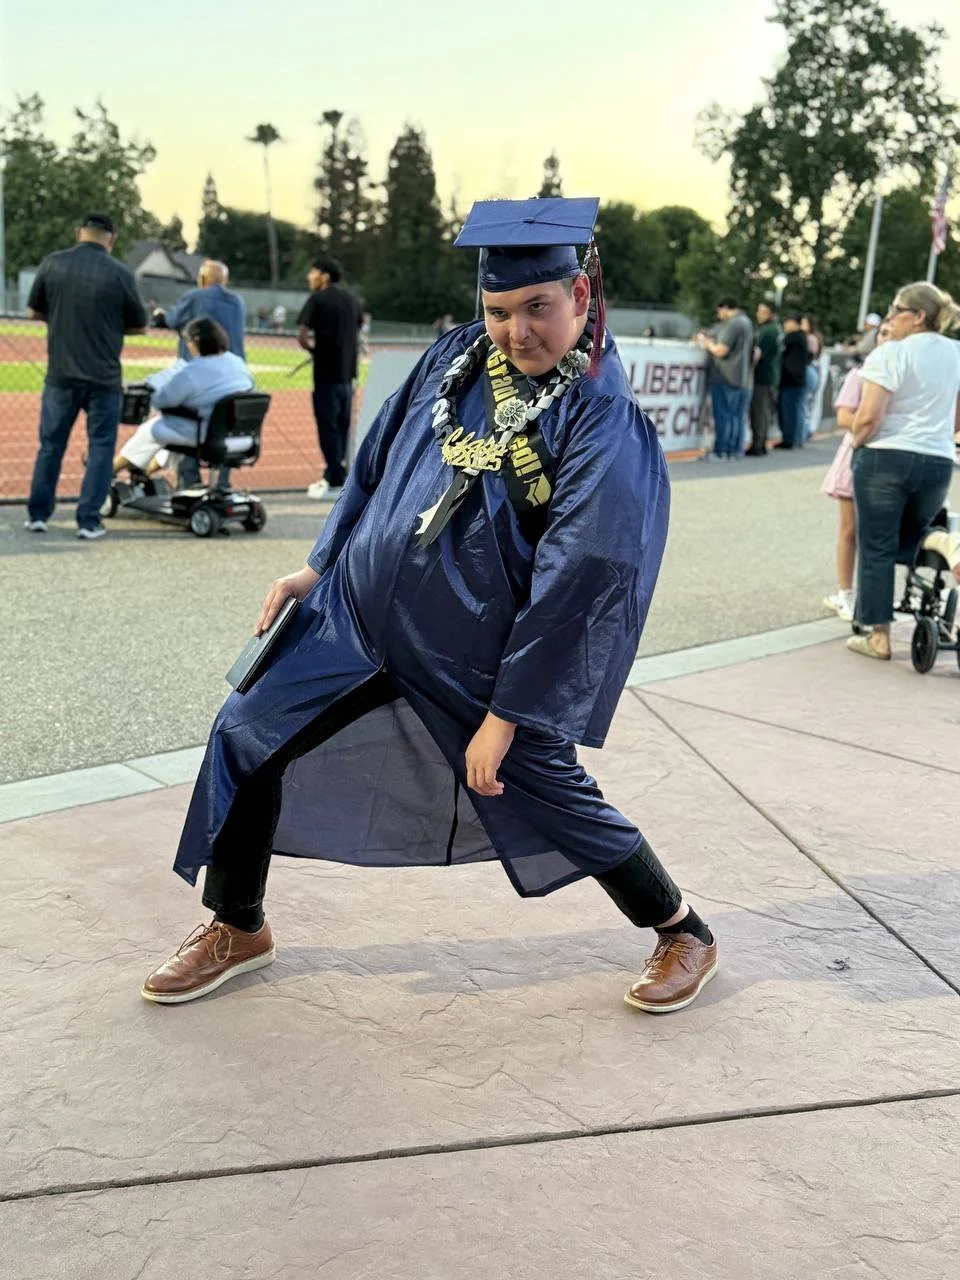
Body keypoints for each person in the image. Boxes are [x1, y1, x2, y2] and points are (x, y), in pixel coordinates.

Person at [140, 196, 717, 1016]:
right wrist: (318, 565)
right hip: (357, 616)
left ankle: (681, 927)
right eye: (499, 310)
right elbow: (373, 463)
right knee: (244, 732)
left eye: (538, 308)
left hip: (477, 659)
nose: (518, 331)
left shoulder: (599, 420)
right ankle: (238, 925)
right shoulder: (457, 358)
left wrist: (509, 712)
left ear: (580, 297)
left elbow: (580, 576)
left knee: (549, 790)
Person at [847, 283, 960, 660]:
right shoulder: (956, 354)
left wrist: (858, 444)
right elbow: (956, 419)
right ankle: (943, 543)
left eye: (897, 309)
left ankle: (878, 636)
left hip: (886, 456)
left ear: (918, 316)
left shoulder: (890, 354)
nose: (891, 317)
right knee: (913, 534)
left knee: (877, 545)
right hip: (938, 459)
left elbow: (869, 417)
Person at [24, 212, 147, 540]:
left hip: (61, 373)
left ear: (80, 232)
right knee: (101, 449)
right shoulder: (120, 274)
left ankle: (38, 515)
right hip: (104, 377)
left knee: (50, 445)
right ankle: (88, 520)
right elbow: (139, 324)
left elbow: (33, 310)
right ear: (112, 238)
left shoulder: (52, 264)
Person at [113, 318, 254, 477]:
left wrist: (159, 387)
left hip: (208, 435)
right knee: (174, 428)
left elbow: (162, 401)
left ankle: (111, 469)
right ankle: (146, 472)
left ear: (196, 341)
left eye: (188, 341)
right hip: (241, 436)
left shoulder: (192, 372)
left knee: (152, 429)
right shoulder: (238, 364)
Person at [821, 317, 895, 621]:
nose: (888, 338)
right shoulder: (860, 375)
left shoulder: (904, 376)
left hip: (889, 461)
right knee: (850, 529)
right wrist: (870, 427)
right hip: (857, 454)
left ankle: (872, 597)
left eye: (893, 334)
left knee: (876, 535)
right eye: (883, 334)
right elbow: (843, 417)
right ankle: (844, 592)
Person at [298, 257, 361, 501]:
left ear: (324, 276)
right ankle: (338, 472)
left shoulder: (317, 300)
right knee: (343, 426)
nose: (309, 277)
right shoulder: (351, 300)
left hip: (325, 374)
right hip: (348, 374)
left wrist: (316, 351)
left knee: (327, 427)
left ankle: (334, 475)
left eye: (313, 272)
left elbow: (303, 337)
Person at [154, 260, 246, 363]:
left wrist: (160, 315)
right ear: (225, 280)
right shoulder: (237, 302)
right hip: (233, 366)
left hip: (199, 366)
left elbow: (172, 320)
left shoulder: (195, 297)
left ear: (202, 279)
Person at [696, 296, 753, 460]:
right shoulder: (747, 323)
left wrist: (707, 344)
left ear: (725, 308)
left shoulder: (733, 324)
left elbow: (721, 350)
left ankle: (721, 450)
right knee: (737, 417)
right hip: (744, 379)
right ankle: (735, 450)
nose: (718, 314)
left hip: (726, 376)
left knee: (723, 416)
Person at [746, 301, 782, 456]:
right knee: (765, 411)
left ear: (771, 314)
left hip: (763, 376)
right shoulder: (776, 329)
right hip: (771, 376)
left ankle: (758, 445)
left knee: (759, 411)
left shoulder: (768, 331)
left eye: (763, 311)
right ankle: (761, 442)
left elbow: (757, 354)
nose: (759, 314)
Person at [776, 312, 808, 449]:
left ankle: (789, 439)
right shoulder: (803, 337)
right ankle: (797, 438)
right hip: (799, 379)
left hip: (790, 380)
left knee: (789, 411)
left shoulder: (793, 337)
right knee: (797, 410)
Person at [801, 313, 825, 441]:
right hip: (816, 370)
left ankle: (803, 432)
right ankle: (806, 430)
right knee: (809, 404)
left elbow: (811, 354)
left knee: (804, 404)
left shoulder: (809, 338)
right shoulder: (818, 337)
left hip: (809, 370)